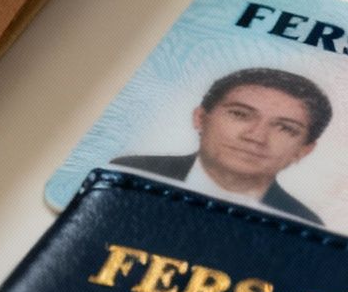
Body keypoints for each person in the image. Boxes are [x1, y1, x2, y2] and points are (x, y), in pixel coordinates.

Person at [113, 67, 328, 224]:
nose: (256, 137)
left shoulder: (303, 225)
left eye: (285, 128)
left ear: (304, 150)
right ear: (200, 118)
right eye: (239, 114)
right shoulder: (129, 173)